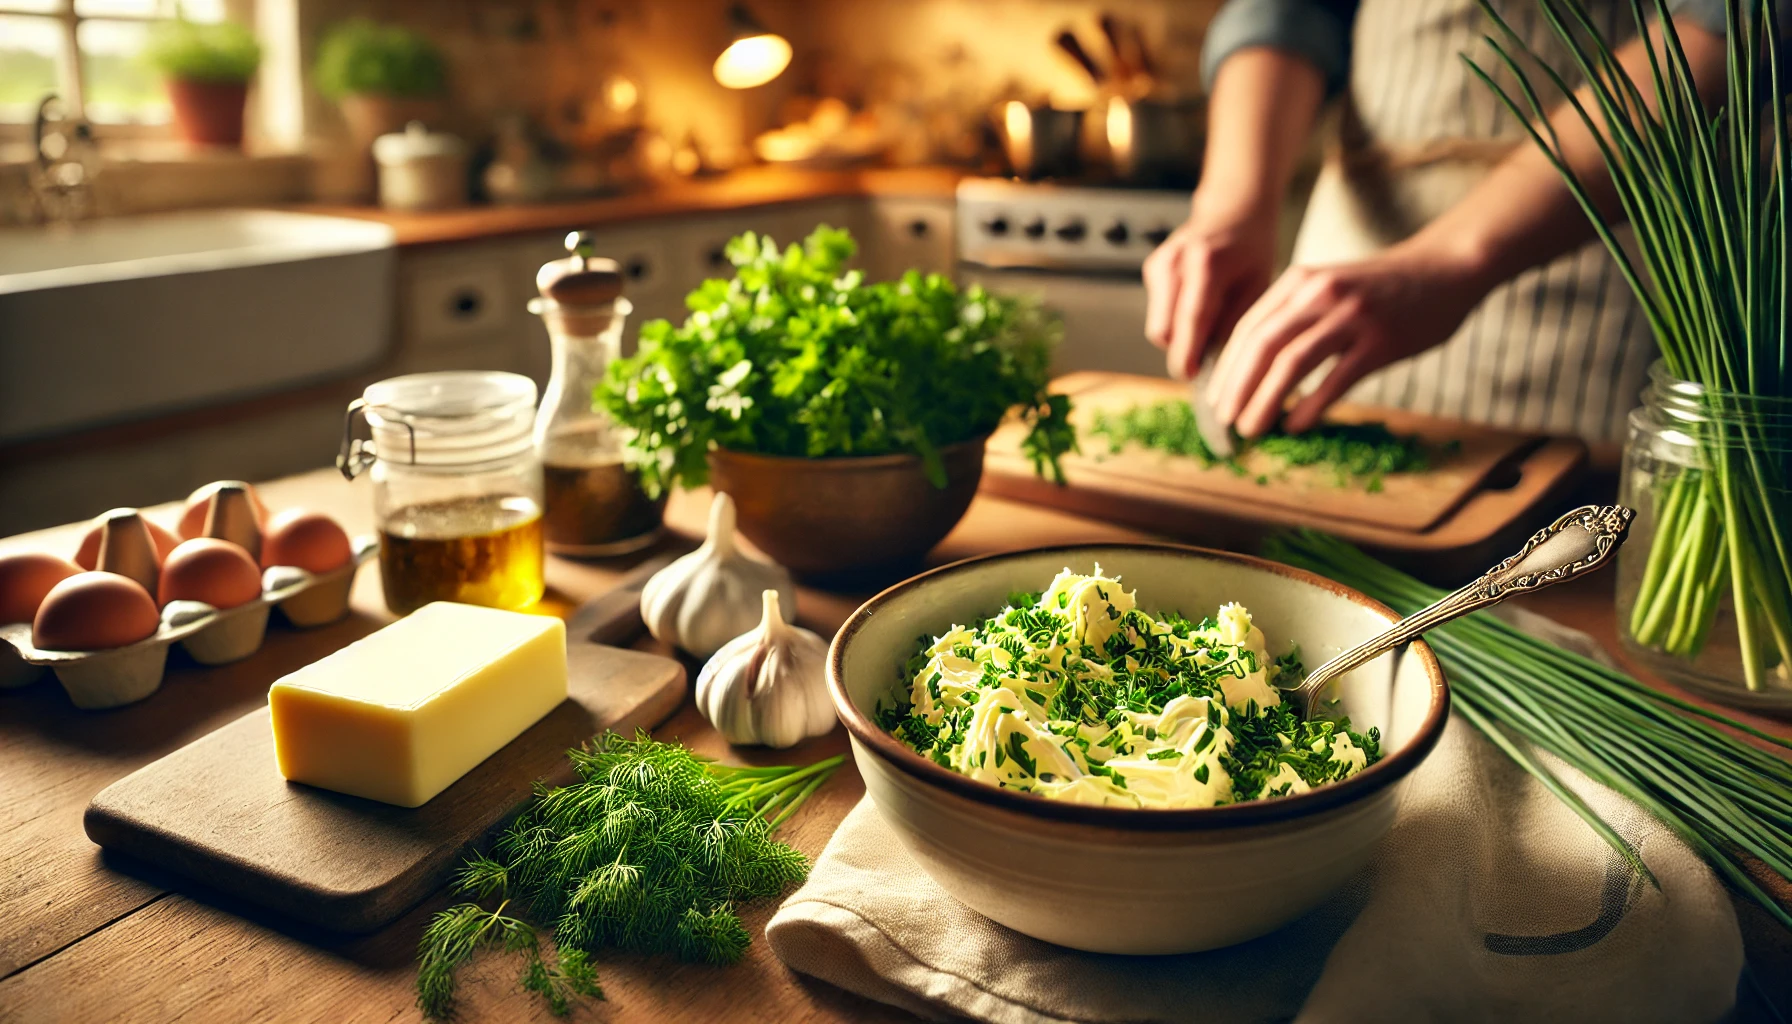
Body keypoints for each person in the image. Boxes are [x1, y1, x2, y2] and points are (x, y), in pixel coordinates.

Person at [1144, 0, 1734, 447]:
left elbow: (1728, 28)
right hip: (1353, 246)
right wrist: (1232, 209)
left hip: (1595, 253)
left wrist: (1452, 257)